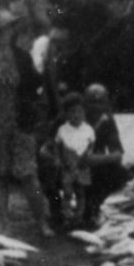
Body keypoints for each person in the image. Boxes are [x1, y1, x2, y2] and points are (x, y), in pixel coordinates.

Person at [0, 10, 55, 237]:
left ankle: (42, 221)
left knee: (27, 174)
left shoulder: (22, 57)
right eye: (2, 31)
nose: (6, 34)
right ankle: (4, 222)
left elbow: (35, 85)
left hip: (19, 122)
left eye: (9, 29)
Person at [83, 83, 127, 229]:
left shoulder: (107, 120)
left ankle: (95, 206)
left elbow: (117, 153)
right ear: (85, 102)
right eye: (92, 102)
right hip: (71, 166)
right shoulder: (74, 116)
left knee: (119, 173)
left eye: (100, 102)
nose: (96, 106)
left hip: (93, 164)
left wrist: (95, 159)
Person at [54, 91, 95, 224]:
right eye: (72, 112)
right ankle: (67, 213)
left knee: (81, 191)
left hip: (82, 165)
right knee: (67, 190)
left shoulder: (88, 129)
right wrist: (58, 159)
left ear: (84, 113)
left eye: (79, 111)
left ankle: (79, 215)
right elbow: (57, 145)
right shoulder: (62, 129)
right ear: (66, 114)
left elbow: (91, 143)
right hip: (68, 164)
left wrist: (89, 153)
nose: (76, 115)